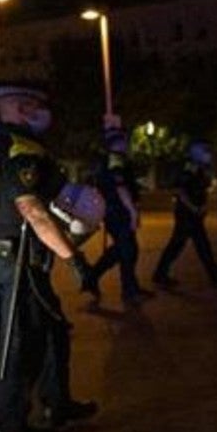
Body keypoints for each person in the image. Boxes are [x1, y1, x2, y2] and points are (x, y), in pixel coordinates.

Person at [0, 80, 98, 432]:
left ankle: (58, 403)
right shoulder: (22, 151)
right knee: (23, 343)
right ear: (24, 108)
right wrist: (73, 259)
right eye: (36, 105)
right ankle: (9, 426)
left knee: (54, 328)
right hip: (20, 259)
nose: (43, 113)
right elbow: (34, 212)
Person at [86, 127, 154, 305]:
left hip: (113, 212)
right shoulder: (115, 160)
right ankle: (129, 292)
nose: (127, 144)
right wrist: (132, 212)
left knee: (123, 250)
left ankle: (91, 277)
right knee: (128, 251)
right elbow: (120, 188)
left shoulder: (108, 160)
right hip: (119, 212)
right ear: (116, 142)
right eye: (123, 140)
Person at [152, 140, 217, 288]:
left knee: (199, 244)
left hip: (193, 213)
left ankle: (214, 273)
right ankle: (160, 273)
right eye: (205, 151)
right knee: (180, 244)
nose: (208, 154)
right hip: (187, 214)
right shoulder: (189, 168)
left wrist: (200, 207)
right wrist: (194, 207)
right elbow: (181, 191)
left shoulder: (200, 168)